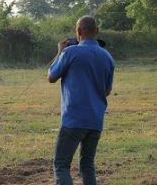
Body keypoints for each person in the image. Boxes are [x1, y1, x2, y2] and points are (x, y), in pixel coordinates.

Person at [47, 15, 115, 185]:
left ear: (78, 32)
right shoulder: (107, 57)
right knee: (87, 164)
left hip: (73, 119)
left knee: (61, 164)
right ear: (97, 32)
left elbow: (51, 76)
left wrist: (59, 52)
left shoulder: (70, 52)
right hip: (96, 119)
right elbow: (107, 90)